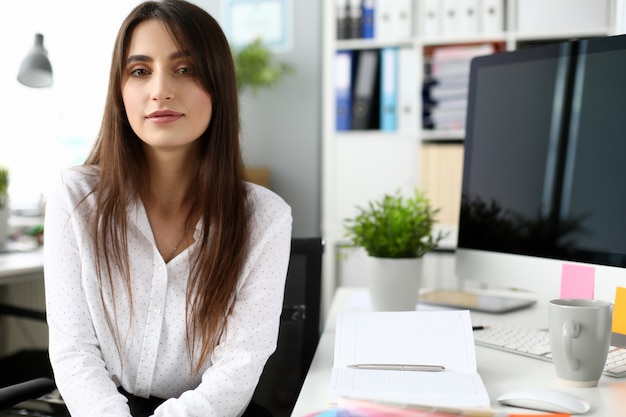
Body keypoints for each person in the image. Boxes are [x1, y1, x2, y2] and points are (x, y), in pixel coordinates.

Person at [43, 1, 292, 416]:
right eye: (140, 71)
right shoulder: (75, 197)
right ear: (120, 90)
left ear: (218, 85)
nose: (160, 89)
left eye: (184, 69)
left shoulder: (264, 217)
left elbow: (239, 367)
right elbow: (74, 353)